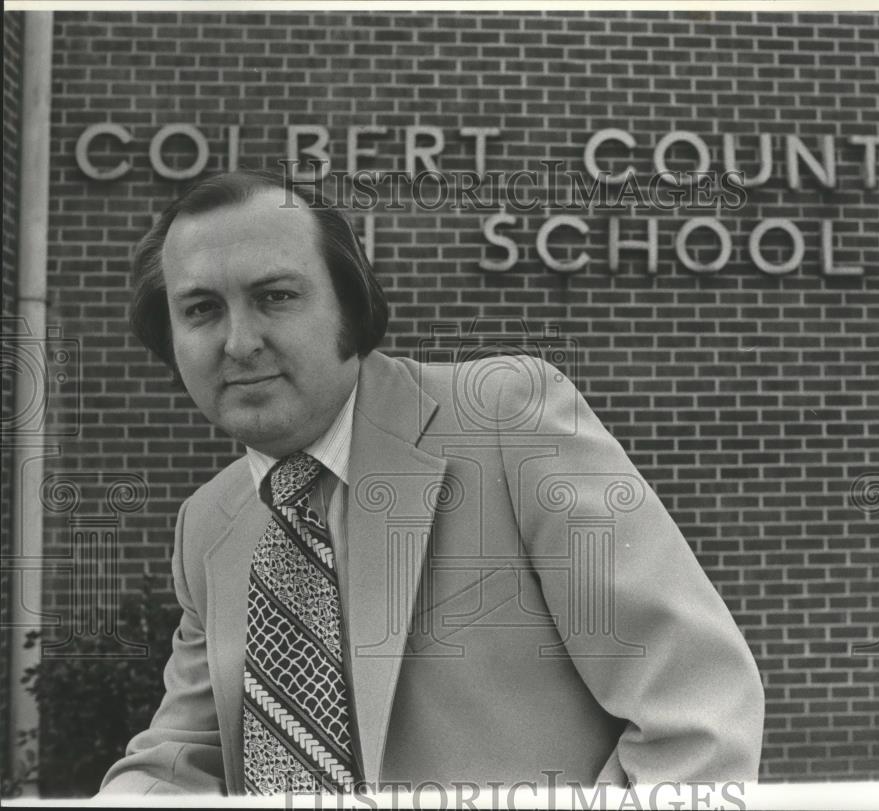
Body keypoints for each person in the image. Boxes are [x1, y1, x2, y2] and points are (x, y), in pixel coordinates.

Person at [97, 169, 765, 797]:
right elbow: (181, 756)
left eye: (276, 296)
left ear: (349, 309)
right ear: (169, 338)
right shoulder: (210, 520)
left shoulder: (507, 420)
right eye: (202, 309)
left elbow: (696, 708)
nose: (239, 341)